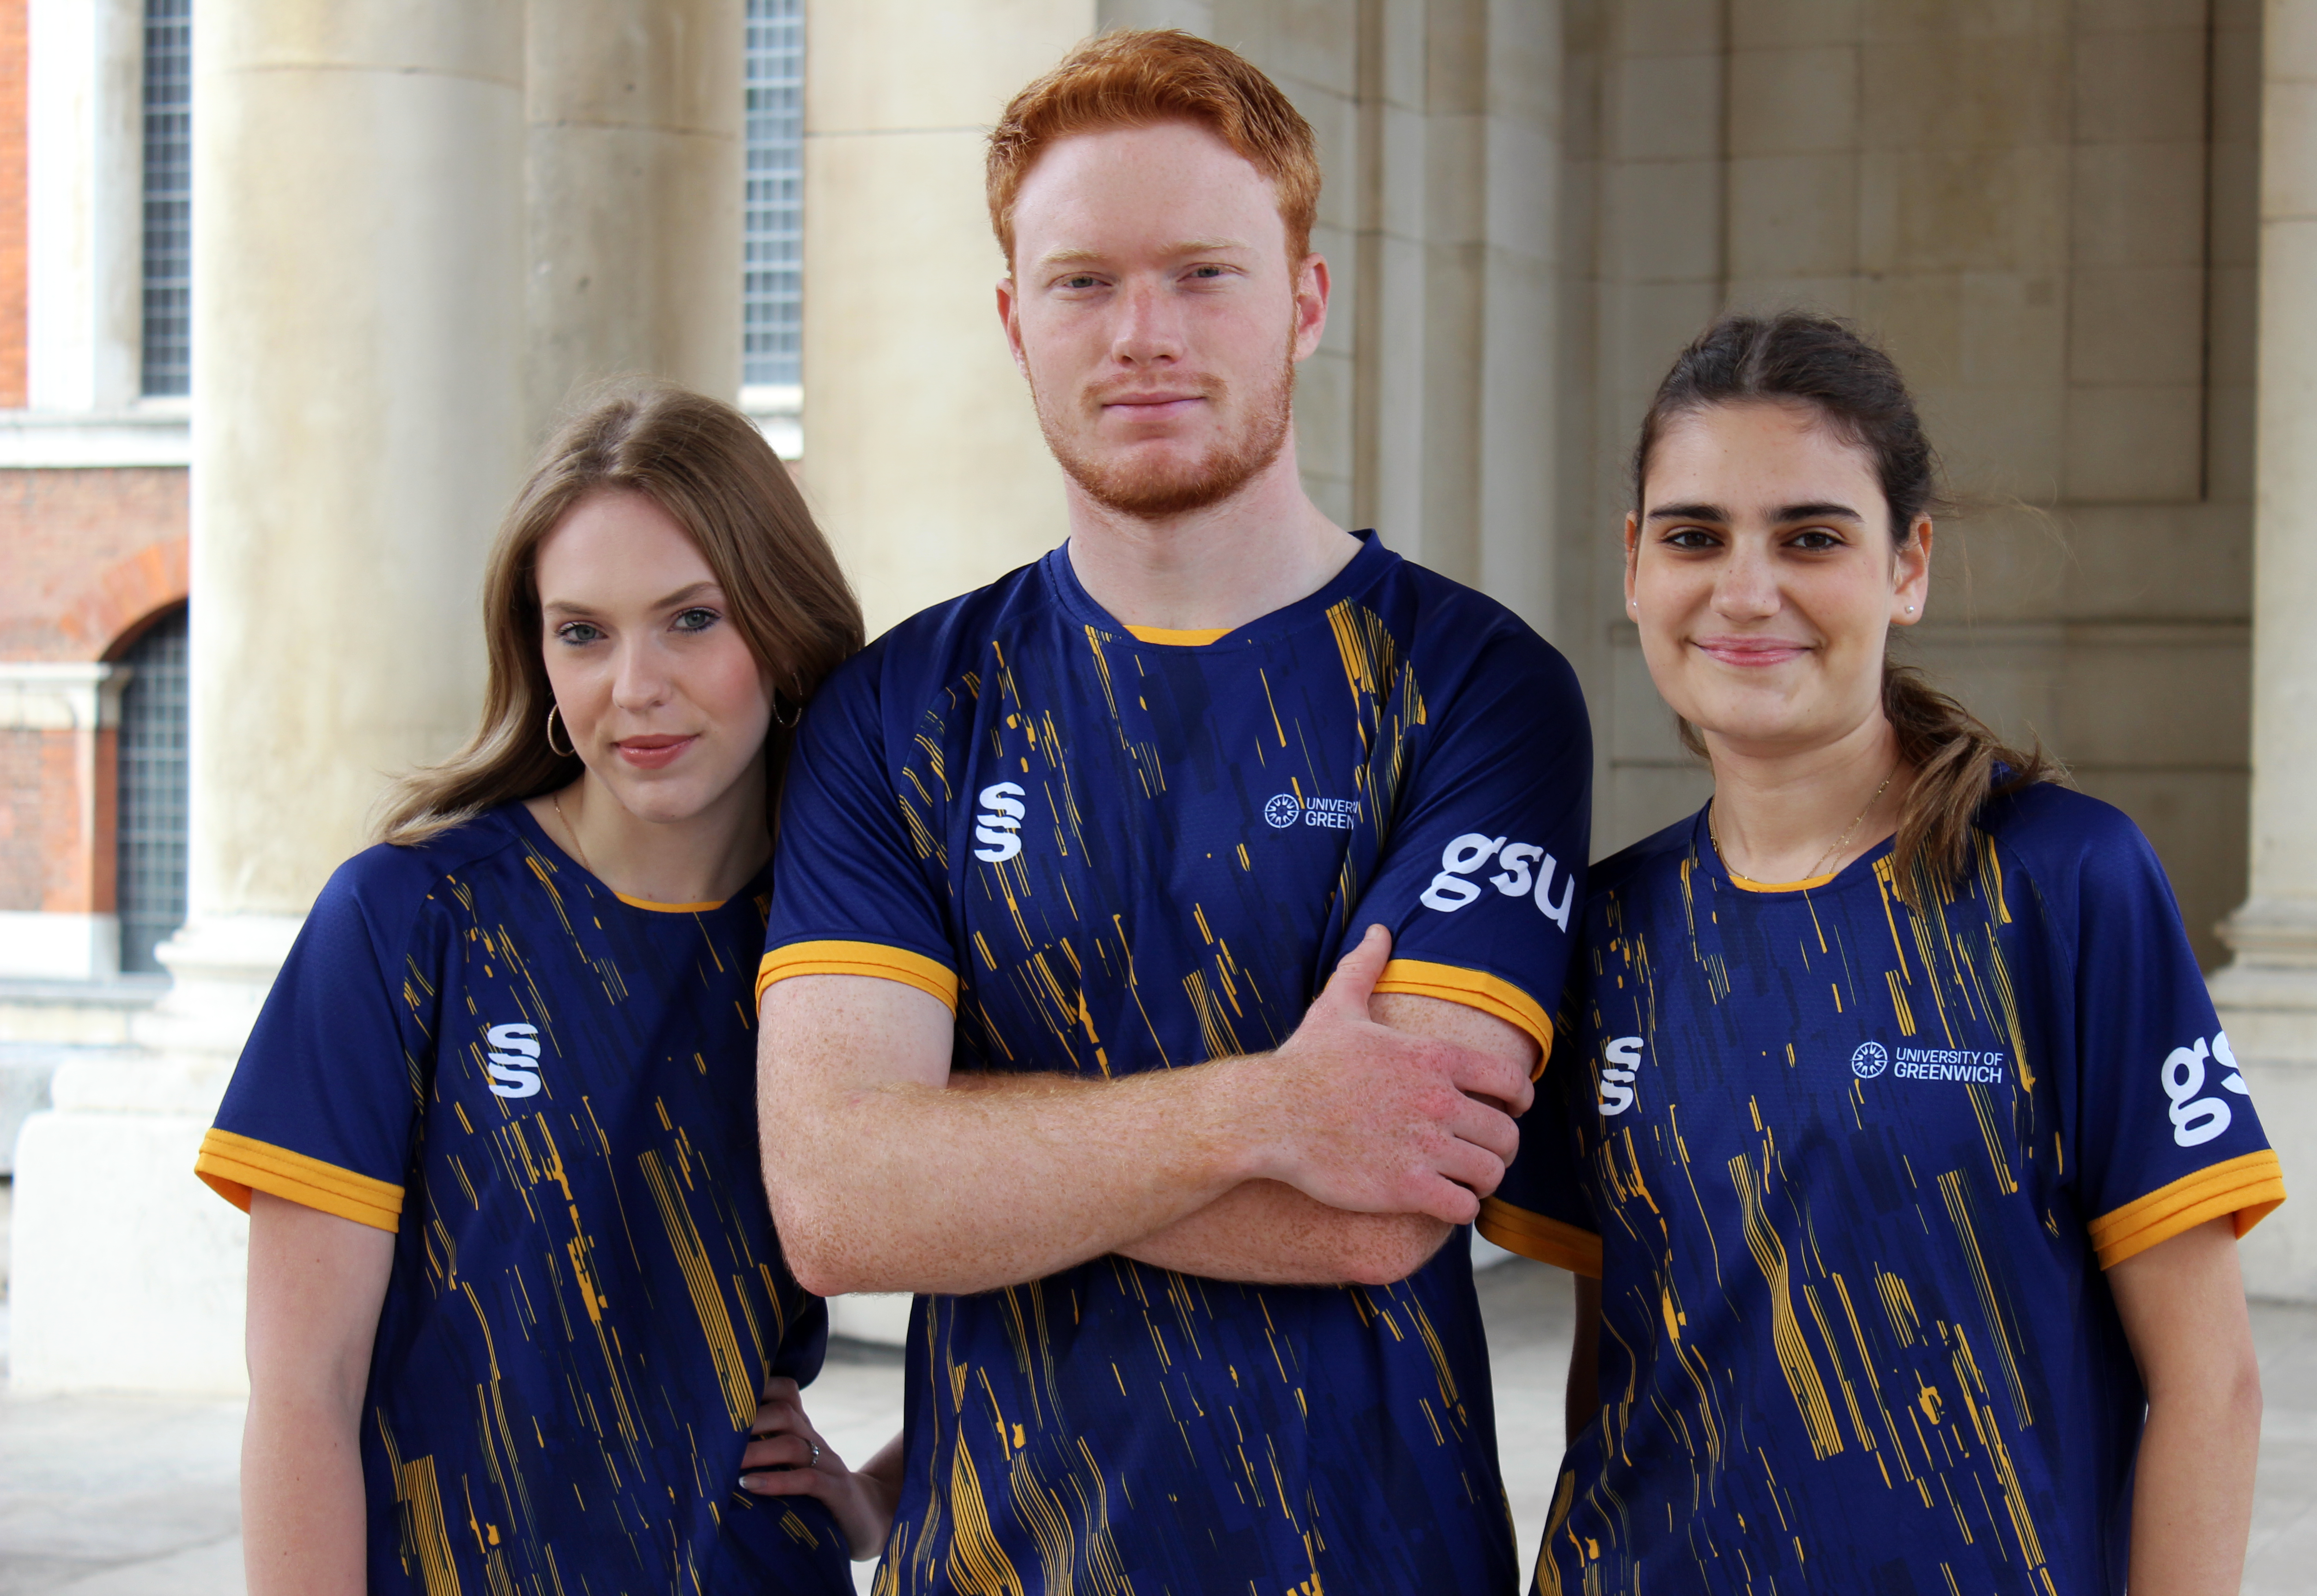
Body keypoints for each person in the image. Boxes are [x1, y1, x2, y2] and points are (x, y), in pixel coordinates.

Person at [741, 29, 1591, 1594]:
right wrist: (1270, 1112)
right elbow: (843, 1206)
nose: (1143, 334)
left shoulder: (1474, 687)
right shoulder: (901, 709)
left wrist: (977, 1157)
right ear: (1013, 321)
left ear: (1305, 304)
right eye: (1083, 283)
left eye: (1205, 275)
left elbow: (1386, 1205)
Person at [1480, 312, 2286, 1594]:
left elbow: (2212, 1385)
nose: (1747, 590)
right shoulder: (1611, 928)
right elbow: (1619, 1369)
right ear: (1635, 567)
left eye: (1811, 536)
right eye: (1695, 536)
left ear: (1907, 566)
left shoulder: (2064, 883)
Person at [192, 383, 882, 1592]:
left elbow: (1066, 1238)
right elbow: (304, 1392)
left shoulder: (854, 948)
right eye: (583, 632)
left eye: (691, 620)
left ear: (781, 627)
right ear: (536, 652)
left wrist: (881, 1494)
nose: (635, 685)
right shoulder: (412, 921)